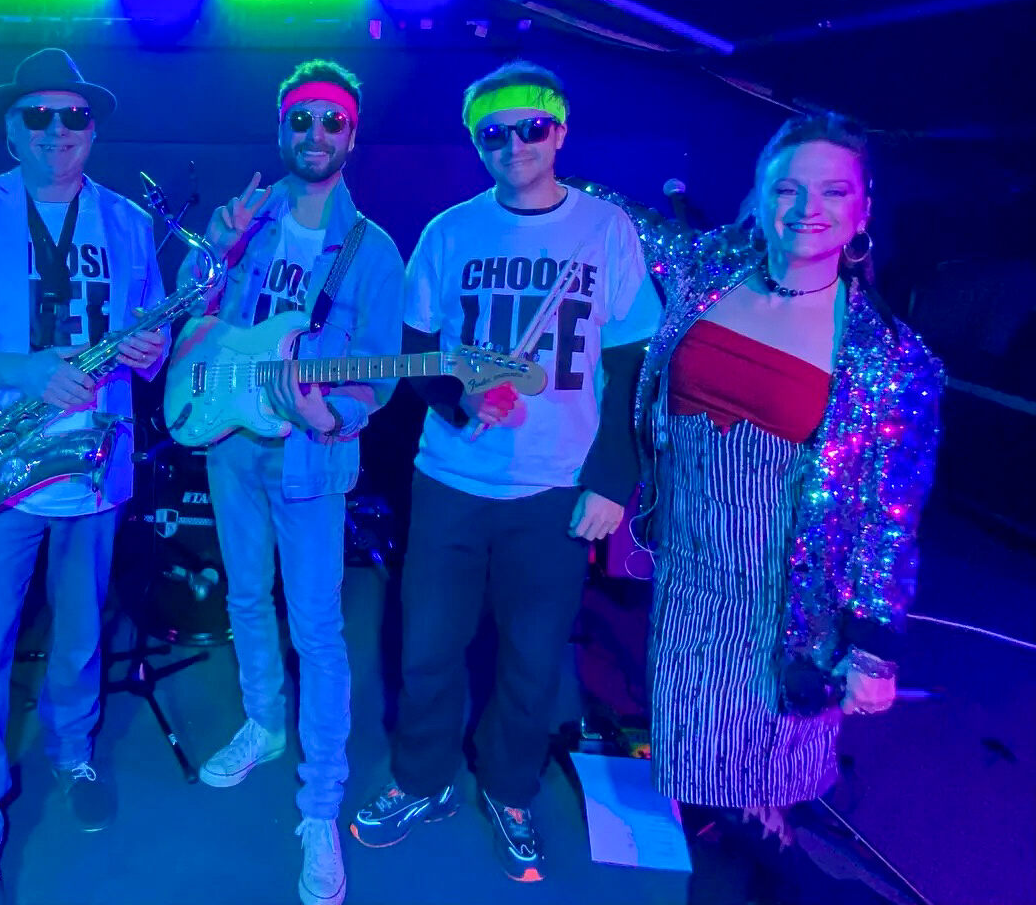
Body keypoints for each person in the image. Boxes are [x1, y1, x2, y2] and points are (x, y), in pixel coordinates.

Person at [582, 113, 943, 897]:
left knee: (758, 774)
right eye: (788, 188)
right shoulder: (711, 266)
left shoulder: (888, 358)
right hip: (689, 571)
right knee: (693, 755)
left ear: (863, 210)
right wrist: (544, 175)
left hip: (789, 595)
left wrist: (872, 651)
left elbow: (890, 517)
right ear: (760, 195)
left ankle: (797, 875)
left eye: (833, 191)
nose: (807, 207)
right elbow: (629, 223)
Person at [351, 61, 660, 884]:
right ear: (475, 141)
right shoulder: (450, 231)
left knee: (532, 656)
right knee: (427, 645)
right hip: (450, 480)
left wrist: (613, 479)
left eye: (532, 128)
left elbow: (631, 366)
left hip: (555, 489)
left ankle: (510, 787)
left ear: (560, 132)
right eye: (494, 132)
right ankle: (421, 778)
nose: (514, 144)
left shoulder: (606, 230)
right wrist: (459, 404)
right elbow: (417, 352)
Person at [0, 48, 168, 904]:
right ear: (10, 131)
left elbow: (150, 343)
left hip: (93, 468)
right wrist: (22, 371)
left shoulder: (127, 222)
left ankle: (73, 751)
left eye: (73, 116)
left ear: (94, 129)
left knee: (81, 637)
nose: (56, 130)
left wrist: (151, 350)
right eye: (36, 116)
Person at [182, 60, 404, 905]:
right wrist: (216, 248)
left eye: (332, 121)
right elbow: (189, 317)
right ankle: (264, 723)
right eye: (301, 119)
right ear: (282, 129)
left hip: (311, 459)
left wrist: (327, 414)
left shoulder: (373, 249)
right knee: (245, 597)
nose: (316, 134)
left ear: (352, 135)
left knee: (317, 629)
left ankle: (319, 806)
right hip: (231, 445)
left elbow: (378, 376)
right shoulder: (245, 220)